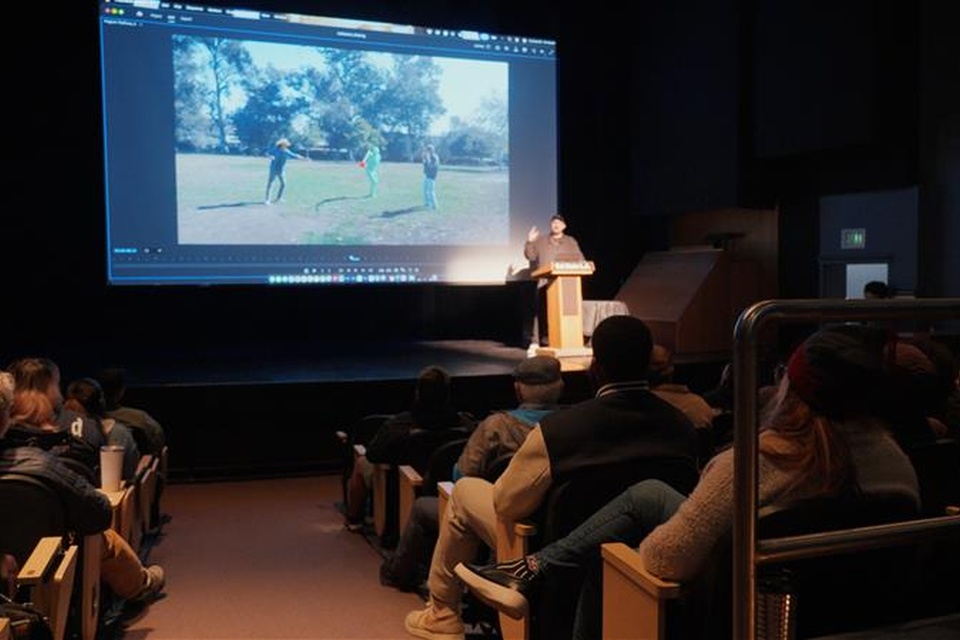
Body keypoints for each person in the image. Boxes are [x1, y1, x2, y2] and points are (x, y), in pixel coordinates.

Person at [454, 324, 921, 639]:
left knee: (612, 557)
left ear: (789, 389)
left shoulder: (752, 464)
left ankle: (527, 572)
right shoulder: (896, 460)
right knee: (648, 493)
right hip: (852, 616)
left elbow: (665, 558)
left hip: (736, 611)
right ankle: (528, 571)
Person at [402, 315, 698, 640]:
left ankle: (442, 615)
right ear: (647, 365)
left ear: (595, 368)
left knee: (464, 492)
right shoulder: (682, 427)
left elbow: (506, 504)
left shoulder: (561, 431)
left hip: (542, 543)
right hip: (640, 551)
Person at [379, 355, 565, 592]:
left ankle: (407, 578)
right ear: (561, 386)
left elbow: (463, 477)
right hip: (557, 521)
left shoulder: (495, 427)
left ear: (518, 390)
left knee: (424, 506)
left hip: (504, 520)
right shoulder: (574, 424)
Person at [0, 371, 166, 607]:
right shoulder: (40, 464)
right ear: (5, 418)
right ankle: (141, 584)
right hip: (46, 573)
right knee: (100, 536)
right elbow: (99, 513)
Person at [345, 365, 475, 531]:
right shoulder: (465, 424)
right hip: (447, 481)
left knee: (362, 461)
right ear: (447, 394)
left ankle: (354, 519)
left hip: (401, 480)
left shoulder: (401, 424)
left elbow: (373, 454)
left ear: (418, 393)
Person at [64, 377, 141, 483]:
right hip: (114, 496)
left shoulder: (58, 434)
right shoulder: (120, 433)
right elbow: (129, 474)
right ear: (101, 403)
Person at [523, 214, 585, 347]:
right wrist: (529, 242)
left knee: (566, 311)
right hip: (545, 282)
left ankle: (566, 339)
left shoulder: (571, 241)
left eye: (559, 223)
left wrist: (584, 265)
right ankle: (537, 341)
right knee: (542, 312)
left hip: (567, 284)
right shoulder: (541, 240)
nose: (556, 225)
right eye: (553, 223)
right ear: (550, 225)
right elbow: (531, 256)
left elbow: (581, 259)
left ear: (564, 226)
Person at [264, 137, 307, 204]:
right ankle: (267, 200)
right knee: (270, 184)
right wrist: (270, 156)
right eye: (285, 144)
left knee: (283, 184)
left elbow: (294, 155)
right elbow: (267, 153)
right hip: (273, 169)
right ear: (282, 144)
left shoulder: (286, 151)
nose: (287, 146)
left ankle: (279, 198)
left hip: (281, 170)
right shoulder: (275, 150)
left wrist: (303, 158)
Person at [421, 144, 440, 210]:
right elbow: (425, 164)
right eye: (427, 149)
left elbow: (432, 166)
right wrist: (424, 158)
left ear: (432, 150)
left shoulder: (434, 157)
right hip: (427, 175)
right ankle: (427, 203)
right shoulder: (429, 156)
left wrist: (427, 159)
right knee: (425, 190)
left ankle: (434, 205)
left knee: (431, 191)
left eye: (429, 150)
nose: (428, 151)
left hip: (431, 176)